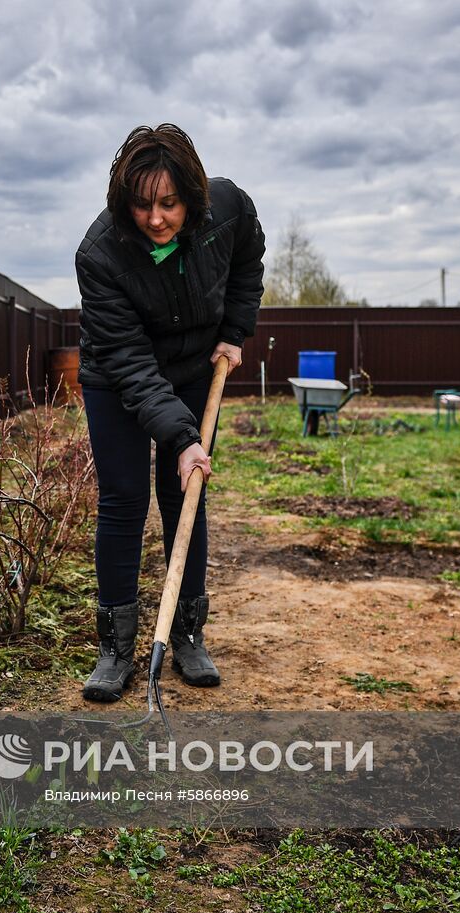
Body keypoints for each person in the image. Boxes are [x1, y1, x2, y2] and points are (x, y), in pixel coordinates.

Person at [74, 123, 265, 702]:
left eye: (169, 203)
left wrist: (234, 332)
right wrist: (182, 437)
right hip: (118, 375)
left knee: (186, 496)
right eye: (140, 204)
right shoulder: (100, 254)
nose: (155, 218)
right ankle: (115, 646)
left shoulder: (228, 209)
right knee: (125, 497)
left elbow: (249, 261)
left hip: (193, 365)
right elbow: (130, 363)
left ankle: (187, 635)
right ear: (122, 199)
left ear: (193, 195)